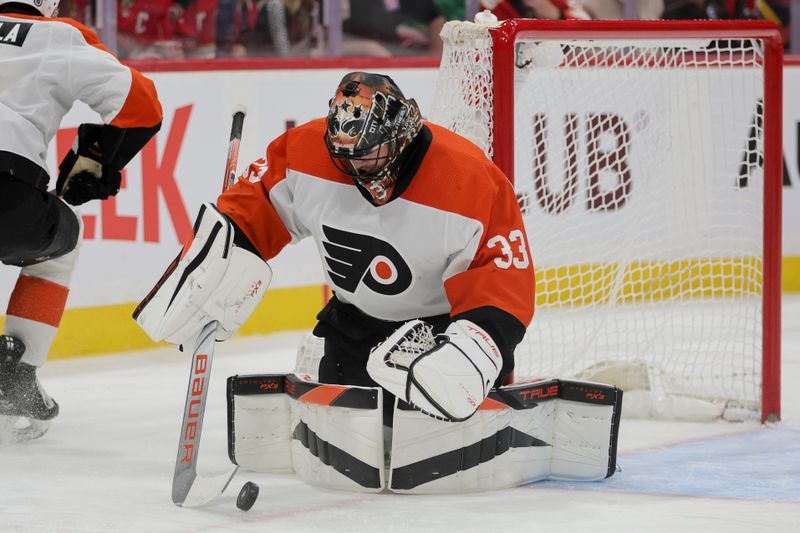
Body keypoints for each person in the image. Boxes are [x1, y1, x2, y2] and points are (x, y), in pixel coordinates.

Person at [135, 72, 534, 424]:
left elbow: (500, 274)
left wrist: (473, 348)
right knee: (343, 451)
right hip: (353, 329)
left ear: (402, 134)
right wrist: (215, 265)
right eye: (348, 157)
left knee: (439, 452)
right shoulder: (306, 151)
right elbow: (253, 209)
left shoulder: (470, 179)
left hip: (439, 334)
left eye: (368, 156)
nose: (357, 169)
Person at [0, 0, 162, 441]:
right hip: (8, 193)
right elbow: (143, 105)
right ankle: (14, 376)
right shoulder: (60, 35)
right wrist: (100, 156)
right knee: (62, 241)